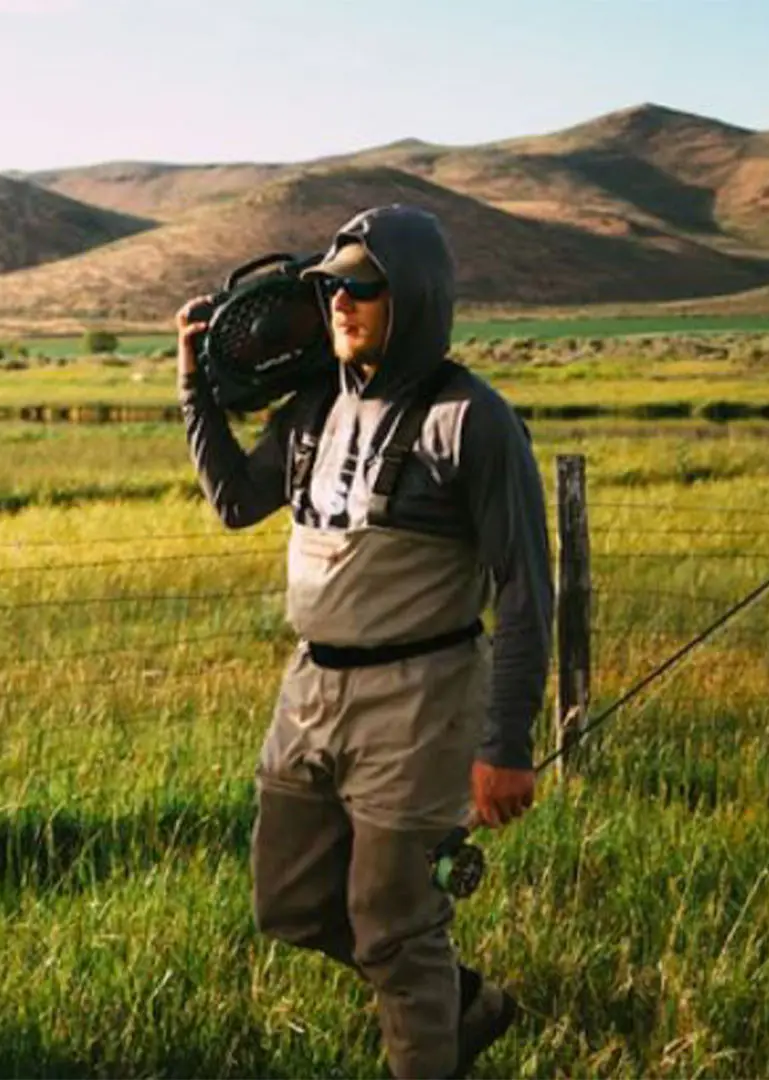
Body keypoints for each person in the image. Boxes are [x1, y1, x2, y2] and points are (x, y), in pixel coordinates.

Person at [176, 205, 553, 1079]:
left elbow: (526, 590)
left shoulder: (472, 420)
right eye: (329, 285)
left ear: (413, 296)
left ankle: (424, 1017)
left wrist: (508, 745)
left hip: (421, 700)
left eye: (362, 286)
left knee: (393, 921)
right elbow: (235, 501)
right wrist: (194, 386)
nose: (339, 302)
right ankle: (456, 1002)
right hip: (309, 691)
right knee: (290, 904)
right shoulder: (313, 408)